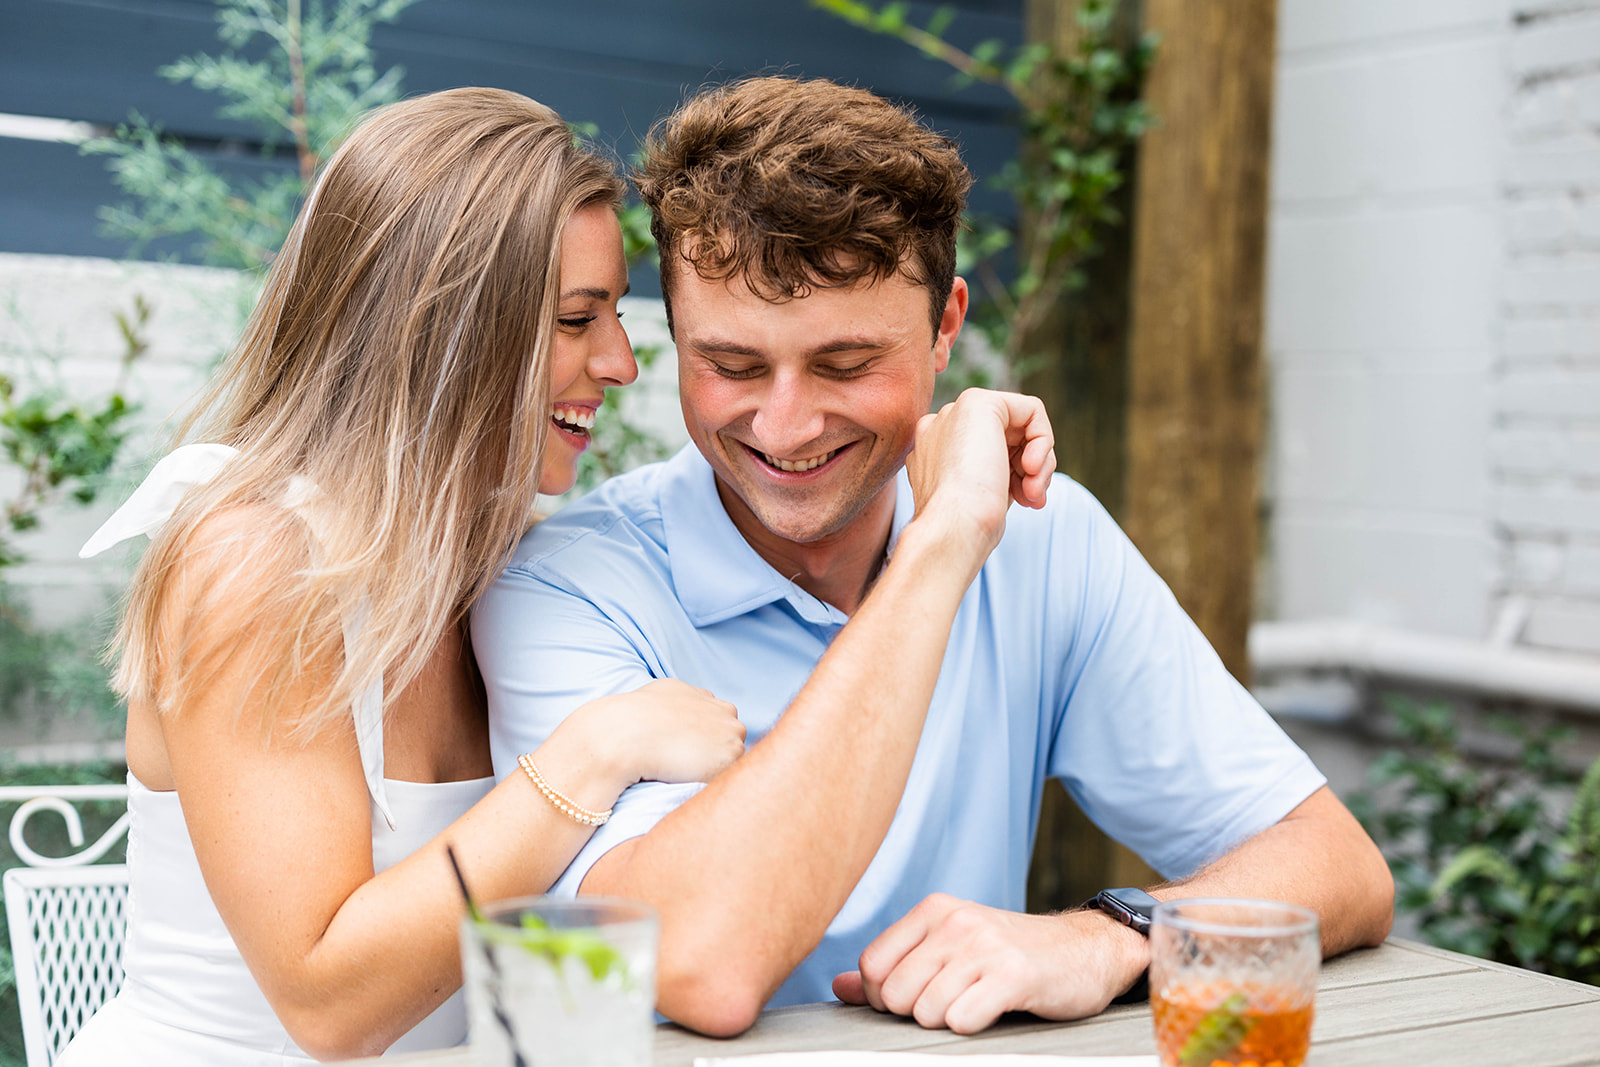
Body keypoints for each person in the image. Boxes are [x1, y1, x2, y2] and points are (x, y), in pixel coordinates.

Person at [473, 75, 1395, 1039]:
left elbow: (1336, 864)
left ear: (947, 326)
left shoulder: (1046, 542)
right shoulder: (564, 586)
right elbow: (696, 962)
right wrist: (940, 549)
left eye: (845, 364)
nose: (784, 426)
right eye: (733, 365)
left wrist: (1114, 934)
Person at [58, 88, 746, 1066]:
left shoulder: (516, 559)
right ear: (441, 329)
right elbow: (329, 1002)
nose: (623, 361)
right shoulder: (254, 560)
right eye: (575, 318)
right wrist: (595, 750)